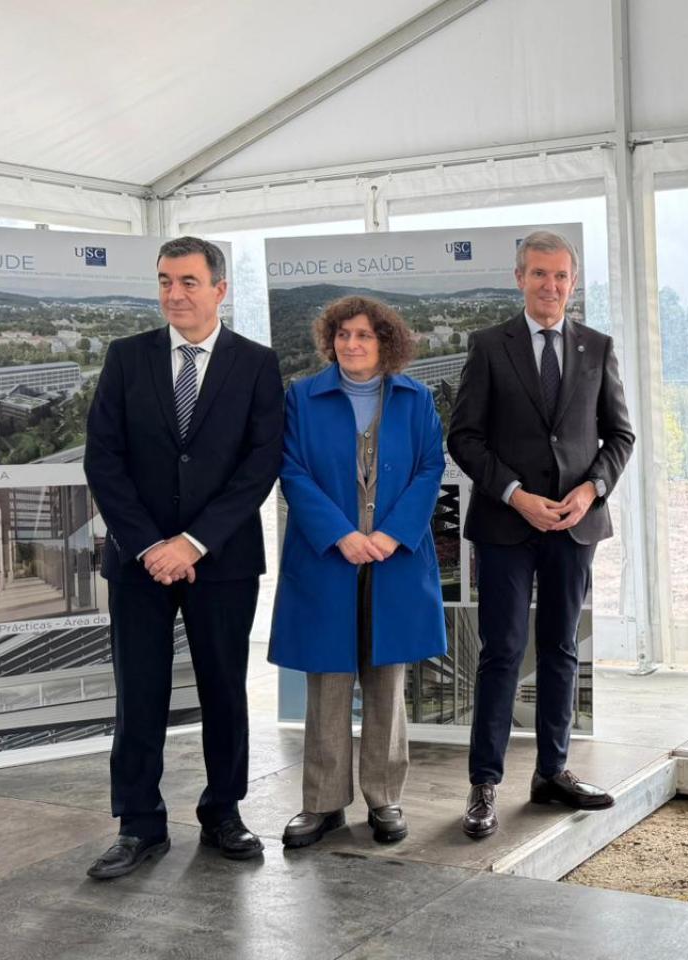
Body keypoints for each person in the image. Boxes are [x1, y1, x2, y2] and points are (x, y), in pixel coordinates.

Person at [82, 237, 283, 879]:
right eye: (166, 281)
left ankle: (224, 812)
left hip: (221, 559)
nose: (175, 294)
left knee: (224, 689)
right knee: (139, 693)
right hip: (139, 562)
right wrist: (150, 545)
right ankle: (138, 824)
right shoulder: (126, 357)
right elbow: (103, 459)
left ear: (220, 289)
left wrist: (193, 542)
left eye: (189, 282)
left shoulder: (257, 363)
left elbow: (260, 465)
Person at [446, 230, 635, 839]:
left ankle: (552, 773)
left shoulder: (597, 347)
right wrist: (515, 495)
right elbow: (464, 437)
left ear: (573, 283)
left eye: (560, 276)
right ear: (519, 278)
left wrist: (591, 490)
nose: (549, 286)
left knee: (560, 647)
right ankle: (484, 783)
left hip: (574, 526)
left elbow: (620, 436)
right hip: (507, 523)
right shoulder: (488, 346)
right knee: (502, 651)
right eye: (538, 274)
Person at [269, 296, 447, 849]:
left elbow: (431, 467)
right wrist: (341, 535)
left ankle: (384, 797)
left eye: (364, 335)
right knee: (327, 680)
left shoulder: (416, 399)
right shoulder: (302, 397)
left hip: (394, 559)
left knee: (386, 682)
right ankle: (323, 804)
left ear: (385, 342)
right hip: (328, 557)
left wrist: (392, 534)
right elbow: (291, 470)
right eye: (343, 334)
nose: (352, 344)